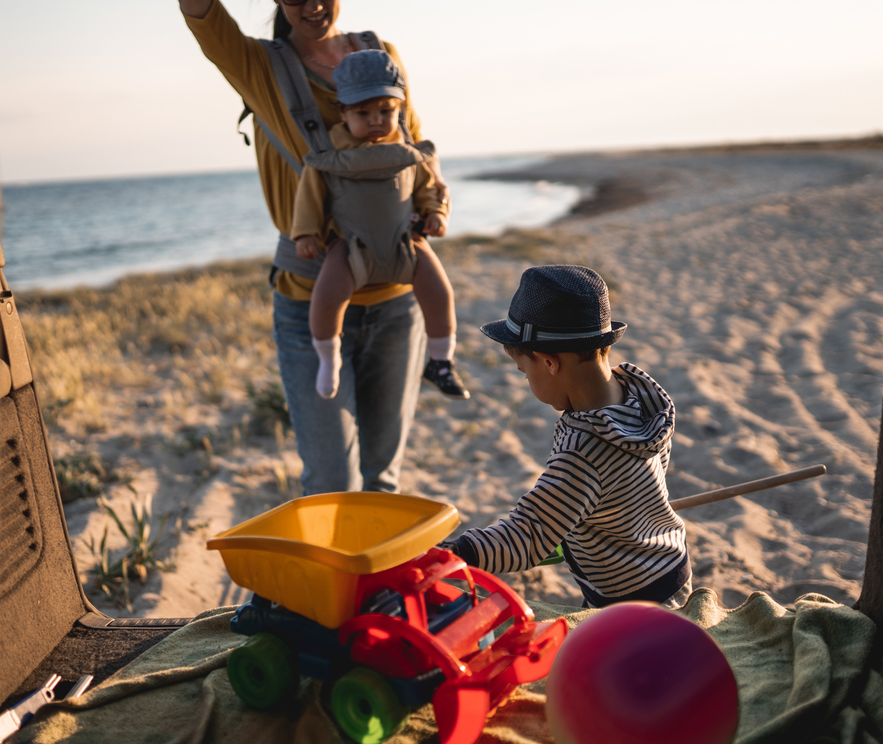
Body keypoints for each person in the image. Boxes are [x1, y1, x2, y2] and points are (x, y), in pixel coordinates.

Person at [179, 0, 449, 495]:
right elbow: (201, 14)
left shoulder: (379, 52)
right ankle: (341, 576)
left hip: (396, 304)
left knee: (382, 478)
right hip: (310, 302)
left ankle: (377, 576)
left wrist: (434, 208)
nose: (312, 5)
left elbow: (415, 145)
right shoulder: (258, 67)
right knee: (332, 483)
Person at [448, 265, 692, 608]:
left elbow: (528, 536)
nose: (526, 379)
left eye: (524, 372)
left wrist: (459, 551)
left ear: (548, 363)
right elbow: (632, 486)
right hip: (670, 568)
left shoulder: (582, 454)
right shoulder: (642, 401)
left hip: (629, 602)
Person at [292, 50, 468, 401]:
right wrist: (306, 233)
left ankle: (440, 362)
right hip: (351, 245)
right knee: (327, 297)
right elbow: (309, 196)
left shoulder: (406, 152)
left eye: (386, 112)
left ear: (399, 111)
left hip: (405, 241)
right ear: (343, 112)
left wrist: (435, 212)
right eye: (363, 113)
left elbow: (425, 188)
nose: (375, 120)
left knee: (439, 293)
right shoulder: (331, 155)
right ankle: (329, 358)